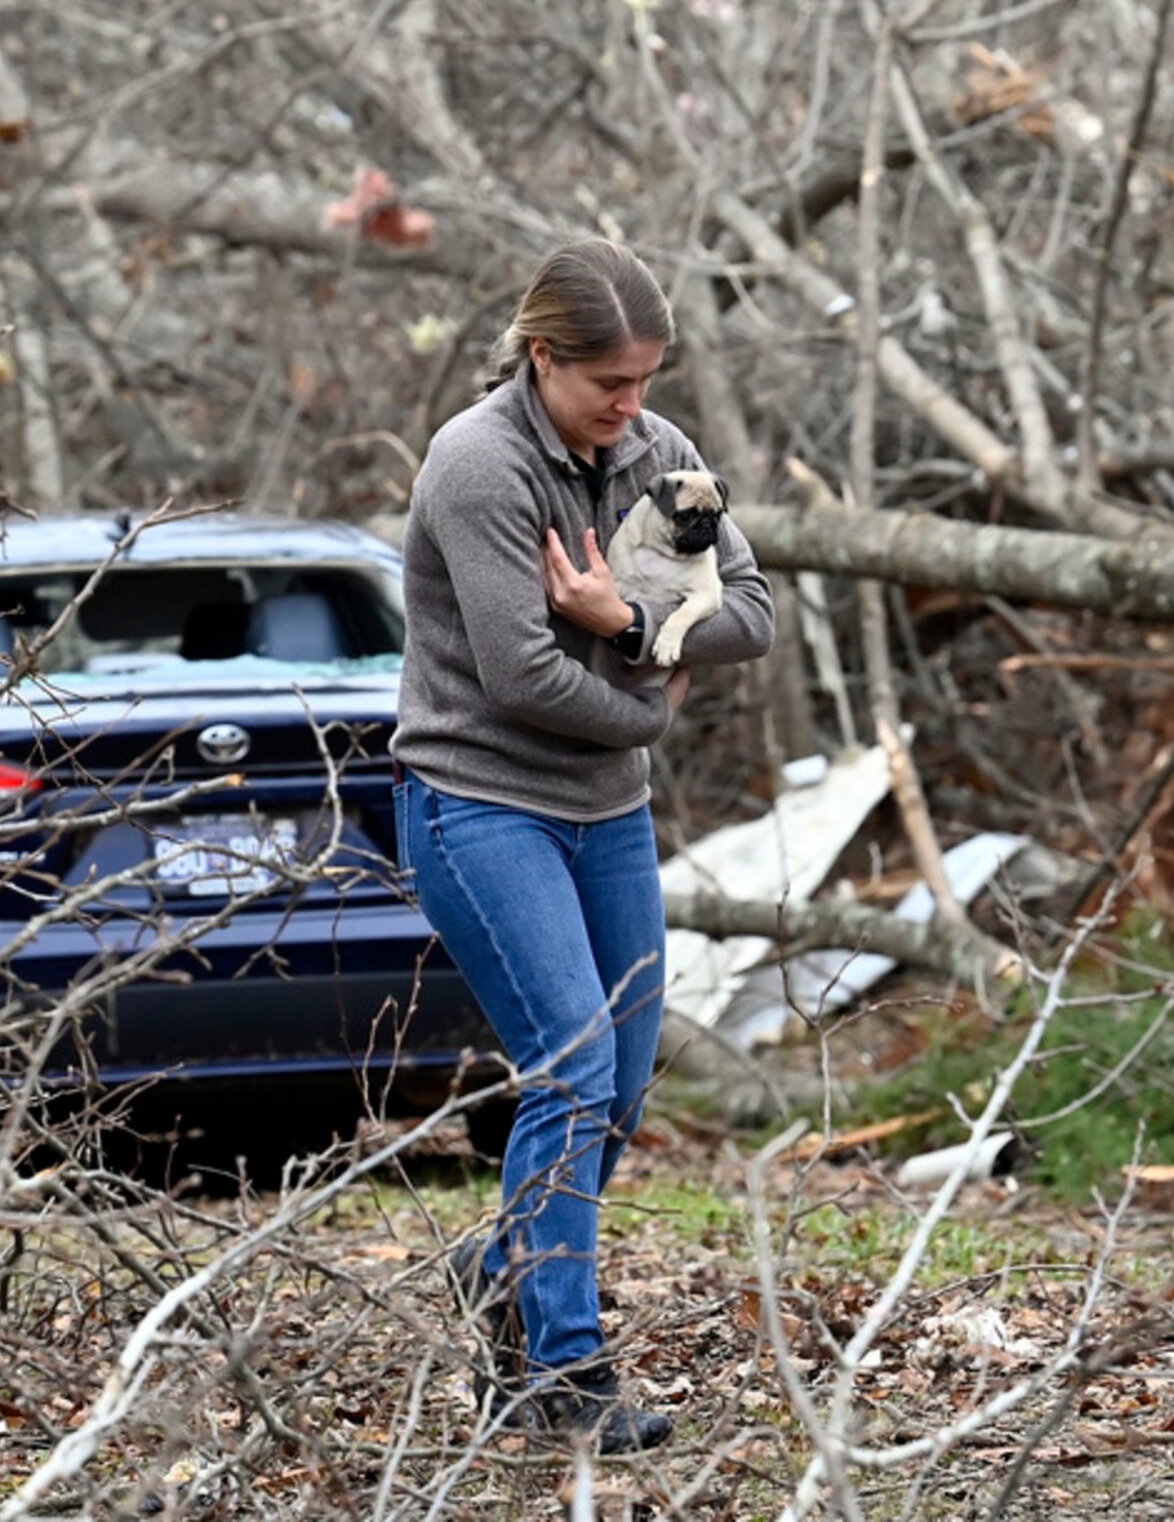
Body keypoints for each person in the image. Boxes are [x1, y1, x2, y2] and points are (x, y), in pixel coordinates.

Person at [392, 238, 775, 1451]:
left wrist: (630, 620)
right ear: (542, 357)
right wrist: (651, 699)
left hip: (606, 809)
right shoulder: (476, 464)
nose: (634, 406)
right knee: (568, 1069)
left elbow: (754, 616)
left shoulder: (661, 460)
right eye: (608, 381)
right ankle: (561, 1373)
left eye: (648, 378)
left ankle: (500, 1265)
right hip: (480, 800)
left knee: (623, 1077)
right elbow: (519, 676)